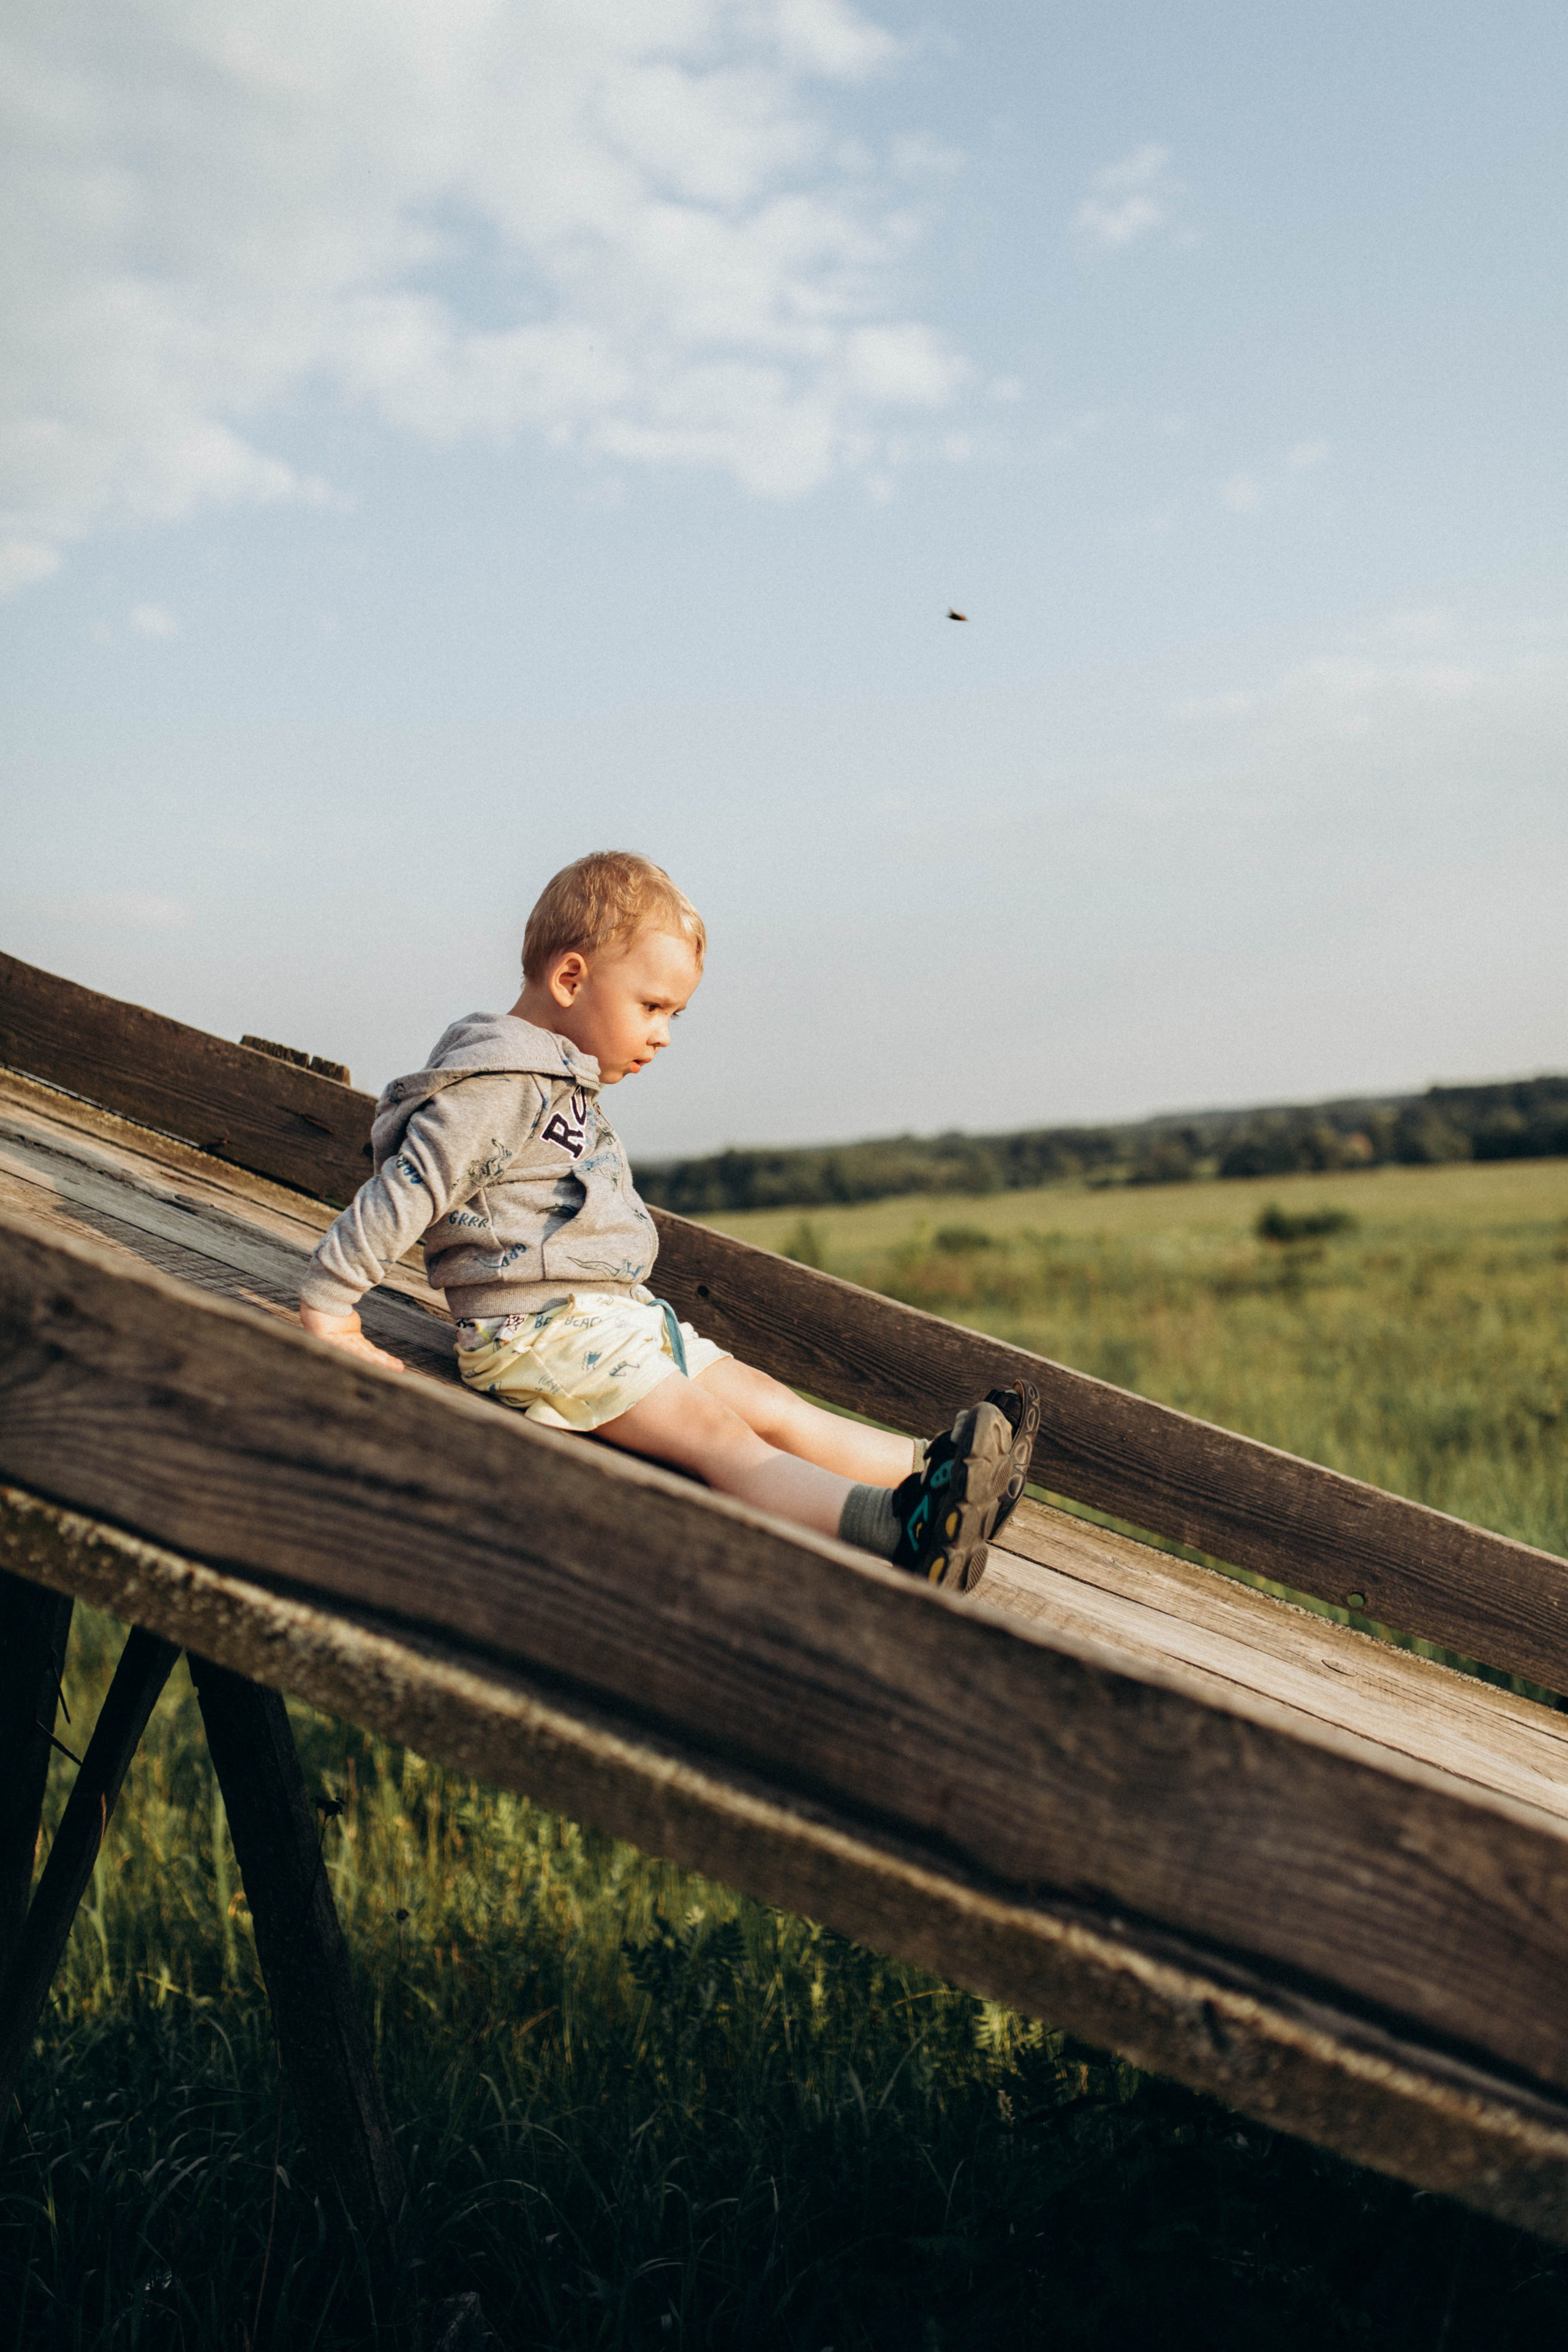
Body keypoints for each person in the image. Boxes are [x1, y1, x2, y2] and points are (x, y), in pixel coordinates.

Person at [298, 850, 1038, 1590]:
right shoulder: (500, 1086)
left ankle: (946, 1475)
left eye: (673, 1015)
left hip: (612, 1317)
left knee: (769, 1404)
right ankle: (902, 1527)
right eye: (651, 1007)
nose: (663, 1035)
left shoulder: (554, 1078)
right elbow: (410, 1187)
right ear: (570, 979)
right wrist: (331, 1307)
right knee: (718, 1438)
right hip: (540, 1334)